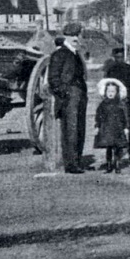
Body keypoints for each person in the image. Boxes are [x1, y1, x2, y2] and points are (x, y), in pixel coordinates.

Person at [48, 22, 88, 174]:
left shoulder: (75, 54)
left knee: (79, 128)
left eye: (78, 35)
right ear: (68, 37)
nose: (77, 39)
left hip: (80, 95)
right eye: (74, 36)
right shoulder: (60, 54)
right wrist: (65, 93)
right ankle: (71, 164)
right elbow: (53, 79)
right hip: (70, 97)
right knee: (71, 130)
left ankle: (77, 161)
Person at [94, 78, 129, 174]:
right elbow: (99, 116)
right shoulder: (103, 104)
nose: (110, 93)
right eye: (108, 91)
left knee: (118, 148)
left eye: (113, 91)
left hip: (118, 128)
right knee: (108, 147)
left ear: (116, 92)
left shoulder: (120, 104)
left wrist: (126, 127)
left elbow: (125, 116)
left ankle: (117, 164)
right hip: (107, 128)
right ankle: (109, 165)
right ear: (105, 92)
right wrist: (97, 126)